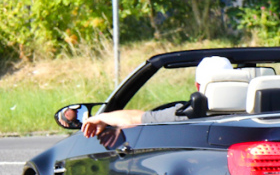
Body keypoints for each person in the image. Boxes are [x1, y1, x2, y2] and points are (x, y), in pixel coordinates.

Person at [77, 56, 233, 145]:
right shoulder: (256, 112)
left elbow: (132, 119)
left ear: (197, 85)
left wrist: (101, 118)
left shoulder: (184, 115)